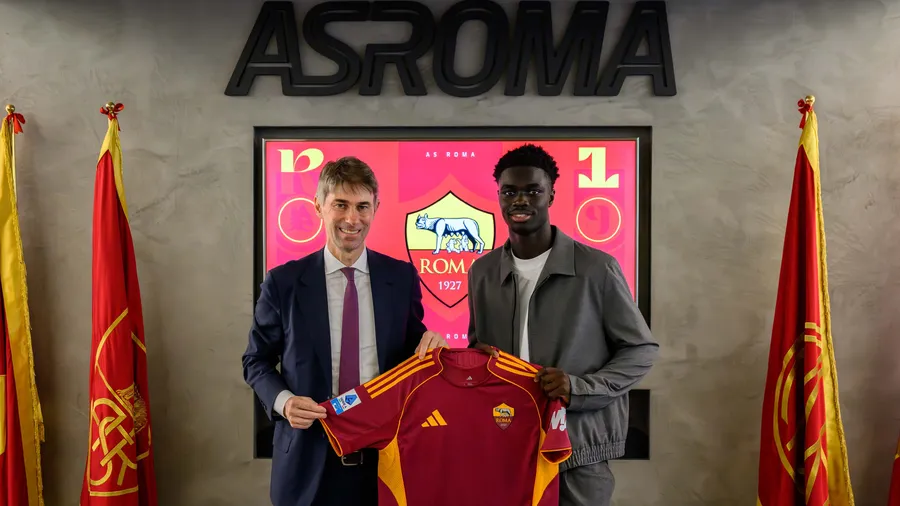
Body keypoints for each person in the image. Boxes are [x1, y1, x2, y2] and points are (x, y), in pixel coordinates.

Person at [242, 156, 447, 506]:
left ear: (376, 208)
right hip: (307, 461)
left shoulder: (401, 278)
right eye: (340, 205)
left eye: (362, 206)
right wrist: (284, 401)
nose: (352, 219)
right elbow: (255, 361)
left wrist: (433, 346)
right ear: (318, 206)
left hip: (385, 460)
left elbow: (413, 351)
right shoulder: (284, 283)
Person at [467, 144, 659, 506]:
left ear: (551, 195)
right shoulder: (482, 272)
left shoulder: (597, 268)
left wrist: (579, 388)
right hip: (505, 446)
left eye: (532, 191)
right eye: (509, 192)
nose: (520, 200)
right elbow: (478, 349)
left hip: (578, 453)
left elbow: (641, 350)